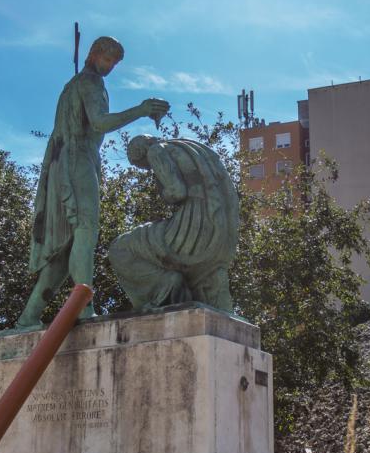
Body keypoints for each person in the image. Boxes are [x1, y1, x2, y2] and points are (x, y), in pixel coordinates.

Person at [17, 36, 168, 326]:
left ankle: (29, 317)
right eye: (107, 59)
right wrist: (141, 109)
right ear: (93, 54)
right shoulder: (90, 82)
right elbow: (99, 122)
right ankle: (84, 309)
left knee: (66, 248)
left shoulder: (74, 84)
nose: (109, 67)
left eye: (114, 63)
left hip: (66, 162)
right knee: (86, 231)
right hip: (77, 160)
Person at [108, 135, 240, 312]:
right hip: (220, 235)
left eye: (143, 166)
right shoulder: (191, 146)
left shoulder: (155, 151)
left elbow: (177, 191)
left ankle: (166, 285)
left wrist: (165, 194)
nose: (148, 169)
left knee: (120, 247)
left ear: (140, 153)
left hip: (190, 234)